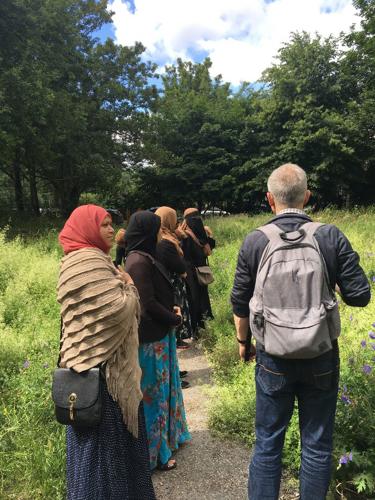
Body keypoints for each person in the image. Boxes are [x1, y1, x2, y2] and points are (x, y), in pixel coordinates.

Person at [231, 164, 370, 500]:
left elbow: (239, 301)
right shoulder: (330, 236)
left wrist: (243, 343)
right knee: (317, 444)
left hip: (272, 356)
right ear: (308, 197)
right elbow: (361, 295)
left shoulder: (255, 241)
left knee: (267, 443)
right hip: (320, 353)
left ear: (269, 199)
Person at [57, 204, 155, 500]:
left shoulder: (81, 261)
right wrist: (129, 285)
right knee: (105, 458)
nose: (112, 229)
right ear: (87, 228)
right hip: (105, 379)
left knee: (97, 456)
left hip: (88, 374)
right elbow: (118, 312)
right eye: (105, 224)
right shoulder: (89, 262)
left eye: (112, 224)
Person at [124, 210, 191, 471]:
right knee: (153, 396)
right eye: (155, 230)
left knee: (165, 389)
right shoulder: (138, 261)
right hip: (151, 339)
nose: (159, 234)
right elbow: (147, 304)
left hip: (159, 334)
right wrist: (173, 318)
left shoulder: (143, 256)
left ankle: (169, 438)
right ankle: (156, 454)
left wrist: (172, 309)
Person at [155, 206, 194, 351]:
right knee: (176, 311)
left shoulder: (159, 239)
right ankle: (176, 340)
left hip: (165, 282)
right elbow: (180, 267)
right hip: (173, 284)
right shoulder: (167, 242)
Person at [181, 208, 214, 337]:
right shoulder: (202, 233)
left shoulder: (185, 234)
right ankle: (203, 324)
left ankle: (195, 329)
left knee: (193, 299)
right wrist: (209, 236)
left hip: (190, 272)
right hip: (202, 271)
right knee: (202, 297)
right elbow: (209, 250)